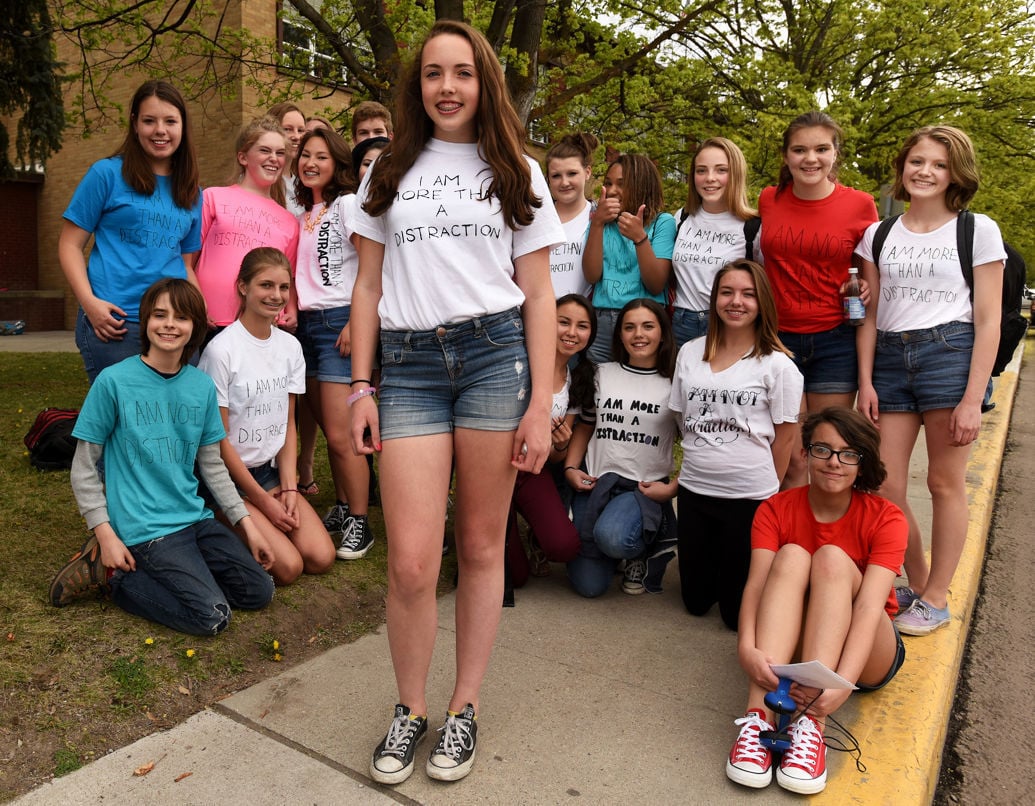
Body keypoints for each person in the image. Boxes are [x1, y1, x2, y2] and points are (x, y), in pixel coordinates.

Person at [348, 20, 563, 784]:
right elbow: (367, 288)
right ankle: (410, 709)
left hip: (491, 358)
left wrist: (541, 403)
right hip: (405, 367)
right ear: (417, 86)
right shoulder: (388, 173)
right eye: (434, 73)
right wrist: (362, 387)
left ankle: (463, 708)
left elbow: (539, 294)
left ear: (485, 83)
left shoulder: (518, 171)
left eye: (462, 73)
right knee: (408, 562)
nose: (447, 86)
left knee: (478, 546)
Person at [49, 279, 276, 634]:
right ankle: (112, 578)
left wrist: (248, 525)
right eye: (160, 315)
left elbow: (213, 466)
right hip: (147, 530)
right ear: (145, 321)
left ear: (195, 328)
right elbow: (84, 468)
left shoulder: (199, 386)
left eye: (182, 317)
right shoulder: (113, 382)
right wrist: (105, 533)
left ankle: (188, 572)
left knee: (258, 591)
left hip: (194, 518)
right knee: (212, 616)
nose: (170, 324)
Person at [855, 125, 1006, 635]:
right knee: (885, 482)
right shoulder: (878, 234)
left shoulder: (976, 230)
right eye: (917, 161)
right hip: (891, 361)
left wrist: (971, 398)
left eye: (938, 165)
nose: (925, 172)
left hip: (951, 352)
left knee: (944, 482)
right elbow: (868, 316)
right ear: (903, 167)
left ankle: (938, 598)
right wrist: (865, 382)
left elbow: (989, 319)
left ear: (954, 174)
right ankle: (918, 580)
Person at [726, 407, 907, 794]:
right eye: (823, 449)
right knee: (791, 555)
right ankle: (759, 714)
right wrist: (745, 648)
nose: (834, 462)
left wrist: (839, 687)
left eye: (848, 453)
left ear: (863, 461)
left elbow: (868, 608)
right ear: (805, 453)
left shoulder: (887, 517)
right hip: (799, 642)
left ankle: (811, 727)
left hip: (866, 651)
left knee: (832, 558)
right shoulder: (775, 508)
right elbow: (756, 587)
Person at [669, 260, 803, 629]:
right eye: (727, 292)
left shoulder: (778, 366)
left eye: (747, 294)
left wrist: (770, 496)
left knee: (733, 617)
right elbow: (681, 417)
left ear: (762, 303)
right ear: (714, 299)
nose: (736, 301)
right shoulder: (690, 352)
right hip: (695, 491)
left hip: (748, 499)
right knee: (695, 603)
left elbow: (786, 437)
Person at [198, 248, 336, 585]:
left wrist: (289, 487)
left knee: (321, 557)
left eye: (283, 287)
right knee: (289, 568)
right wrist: (260, 501)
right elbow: (218, 440)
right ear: (243, 287)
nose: (276, 296)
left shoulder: (290, 347)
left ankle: (264, 512)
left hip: (270, 474)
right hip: (229, 481)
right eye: (266, 285)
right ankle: (215, 521)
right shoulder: (221, 350)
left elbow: (286, 423)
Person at [757, 111, 878, 485]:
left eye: (821, 148)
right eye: (800, 150)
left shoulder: (861, 204)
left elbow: (866, 275)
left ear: (835, 153)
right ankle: (790, 540)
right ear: (786, 156)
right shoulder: (768, 199)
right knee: (792, 458)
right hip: (779, 342)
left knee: (828, 454)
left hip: (834, 342)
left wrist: (865, 288)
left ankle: (826, 539)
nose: (810, 158)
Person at [60, 80, 203, 383]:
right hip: (116, 323)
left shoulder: (191, 191)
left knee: (174, 419)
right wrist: (89, 304)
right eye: (149, 120)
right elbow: (69, 245)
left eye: (170, 121)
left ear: (182, 127)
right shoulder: (106, 174)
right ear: (135, 124)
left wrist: (198, 313)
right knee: (123, 423)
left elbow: (186, 264)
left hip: (175, 324)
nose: (160, 130)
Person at [292, 127, 373, 559]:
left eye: (321, 157)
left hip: (340, 321)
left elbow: (375, 264)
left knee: (343, 436)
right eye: (306, 155)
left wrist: (357, 322)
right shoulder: (307, 214)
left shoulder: (346, 205)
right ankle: (343, 506)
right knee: (327, 430)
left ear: (338, 164)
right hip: (306, 326)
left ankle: (361, 523)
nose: (311, 163)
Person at [564, 298, 680, 597]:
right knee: (589, 587)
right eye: (629, 327)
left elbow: (695, 442)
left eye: (647, 326)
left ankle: (638, 550)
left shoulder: (676, 383)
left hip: (641, 489)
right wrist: (571, 468)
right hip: (596, 481)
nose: (638, 334)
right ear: (619, 335)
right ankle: (610, 542)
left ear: (663, 333)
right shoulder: (602, 373)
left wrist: (674, 487)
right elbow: (586, 426)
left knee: (613, 537)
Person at [505, 294, 594, 586]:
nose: (571, 332)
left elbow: (555, 458)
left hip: (532, 470)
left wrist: (560, 444)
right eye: (563, 322)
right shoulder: (518, 357)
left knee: (564, 546)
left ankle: (529, 530)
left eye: (582, 326)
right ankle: (501, 528)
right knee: (513, 577)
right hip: (495, 466)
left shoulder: (576, 378)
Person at [195, 118, 299, 331]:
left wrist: (291, 311)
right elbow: (187, 261)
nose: (274, 159)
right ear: (243, 157)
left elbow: (290, 277)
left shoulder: (289, 221)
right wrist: (196, 302)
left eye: (280, 153)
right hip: (210, 323)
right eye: (265, 151)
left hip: (263, 327)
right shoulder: (212, 197)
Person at [583, 154, 676, 363]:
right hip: (604, 320)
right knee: (598, 387)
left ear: (642, 186)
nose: (613, 190)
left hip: (644, 321)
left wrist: (639, 237)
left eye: (622, 184)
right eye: (608, 183)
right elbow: (591, 274)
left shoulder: (663, 222)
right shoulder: (601, 222)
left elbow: (656, 283)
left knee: (643, 385)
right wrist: (597, 225)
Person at [671, 137, 759, 348]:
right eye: (701, 171)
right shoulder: (681, 218)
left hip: (729, 325)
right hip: (681, 324)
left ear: (736, 174)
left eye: (721, 170)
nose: (710, 178)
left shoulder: (753, 227)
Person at [544, 133, 598, 299]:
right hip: (541, 316)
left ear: (587, 172)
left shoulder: (598, 218)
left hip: (582, 318)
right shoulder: (535, 218)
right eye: (556, 176)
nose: (564, 182)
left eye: (572, 173)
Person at [268, 102, 306, 215]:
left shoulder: (303, 182)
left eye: (300, 130)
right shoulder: (259, 180)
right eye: (288, 129)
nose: (296, 137)